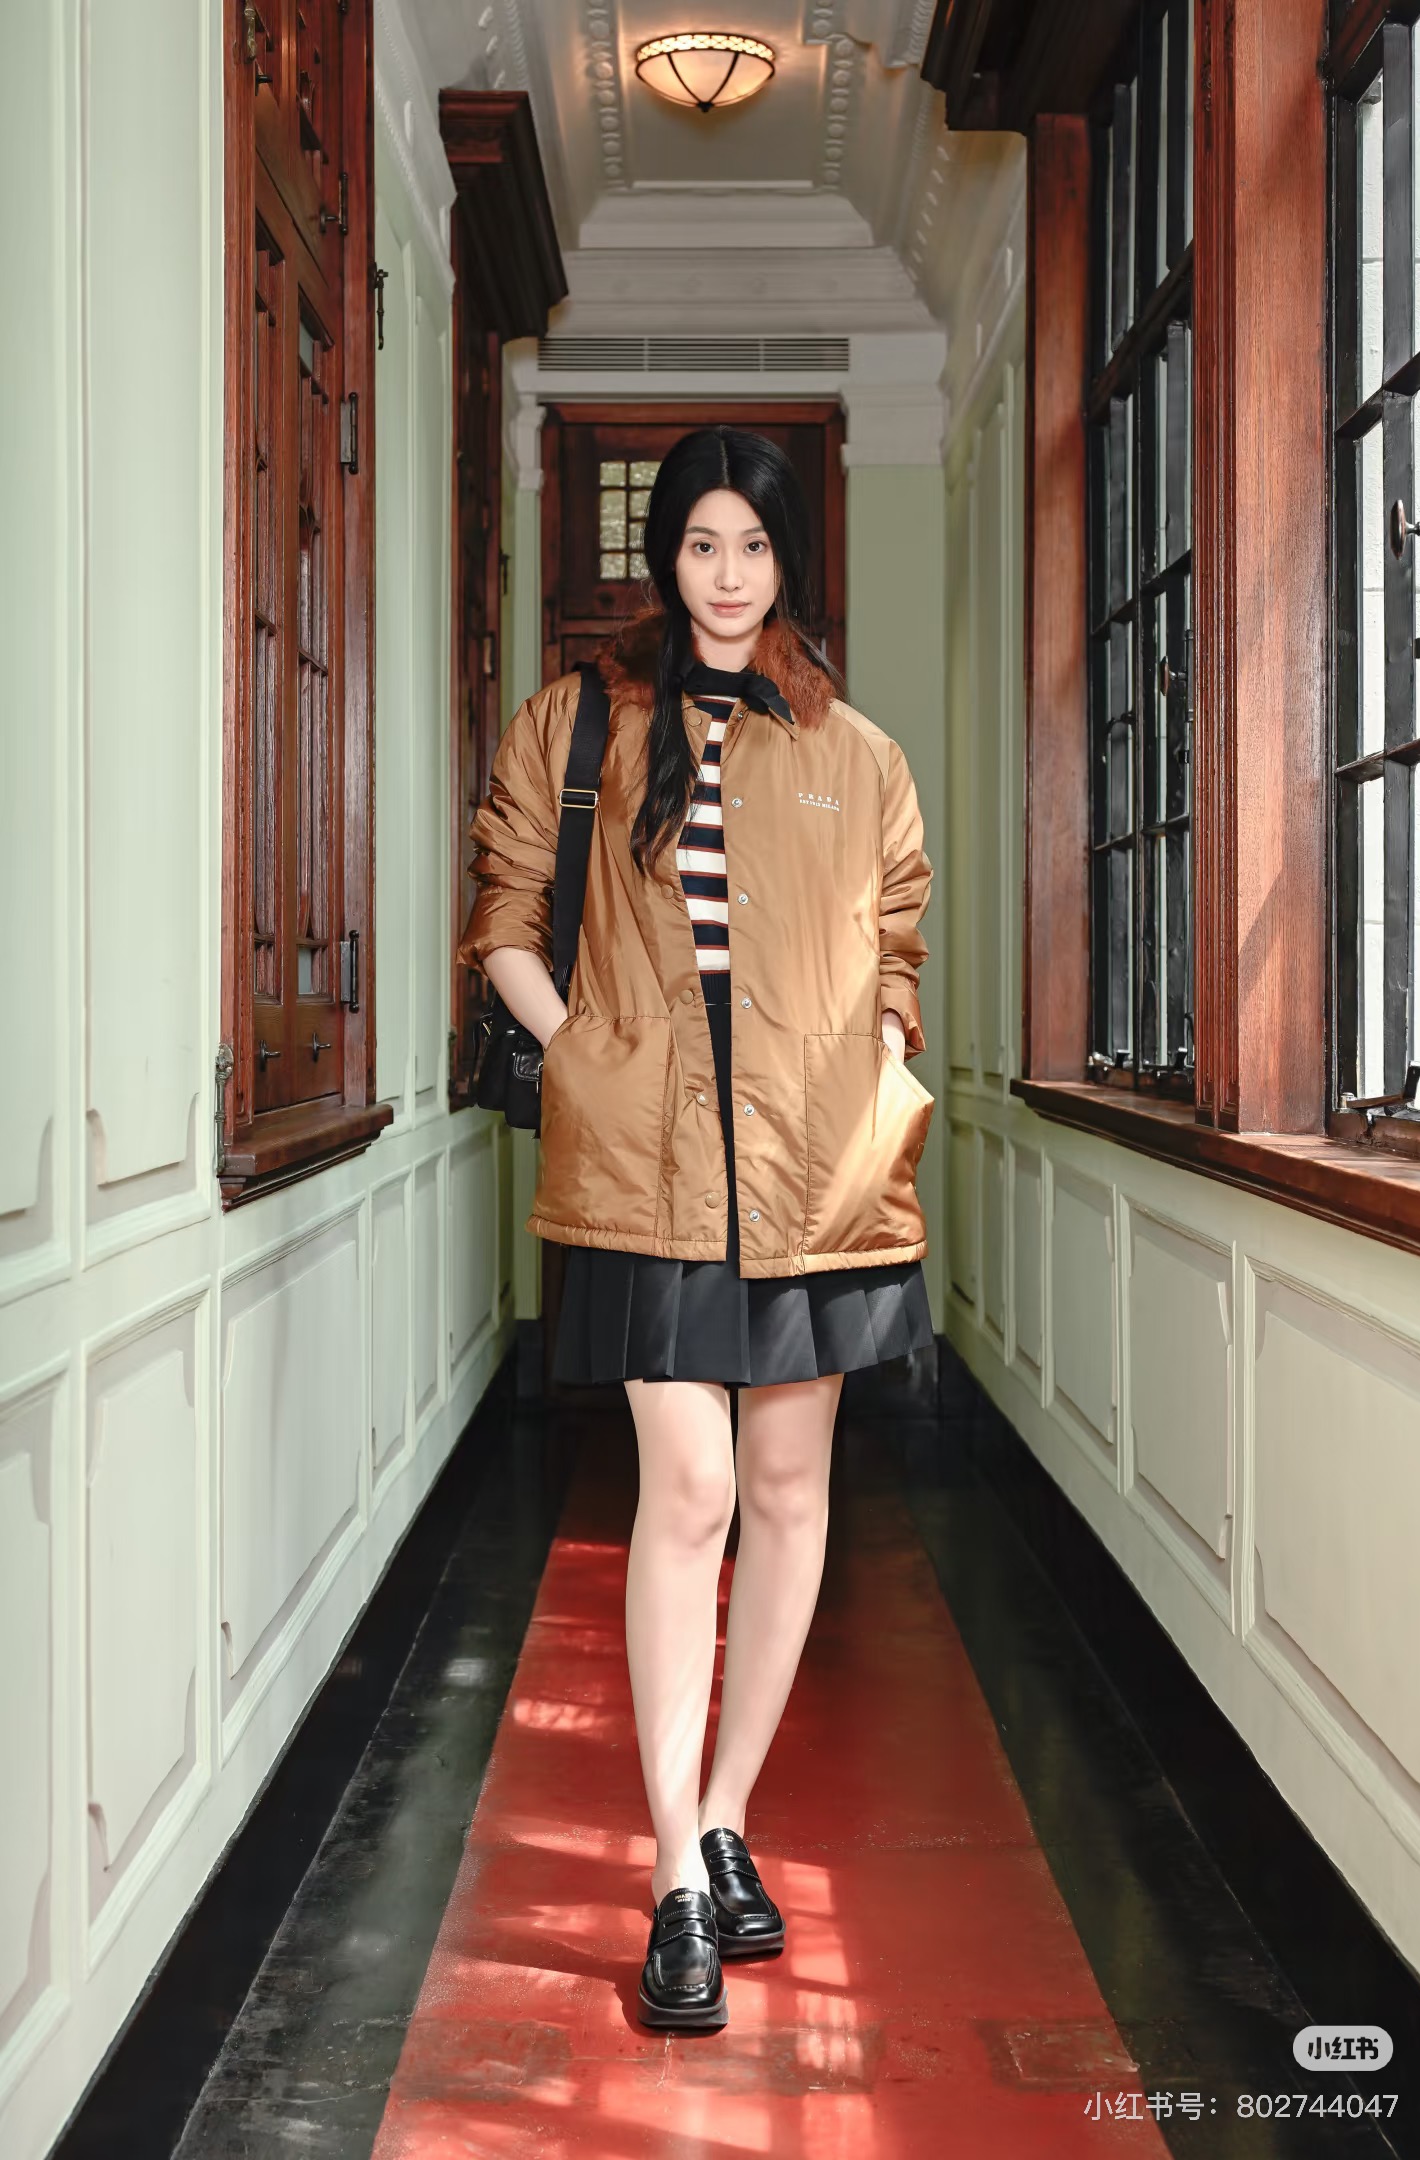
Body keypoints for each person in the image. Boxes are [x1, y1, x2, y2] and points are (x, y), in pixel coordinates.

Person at [457, 425, 935, 2032]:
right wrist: (580, 1054)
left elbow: (898, 938)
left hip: (813, 1171)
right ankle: (673, 1872)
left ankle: (726, 1812)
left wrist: (884, 1051)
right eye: (701, 543)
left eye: (755, 544)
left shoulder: (855, 753)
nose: (728, 575)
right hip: (649, 1154)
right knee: (693, 1488)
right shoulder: (577, 720)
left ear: (790, 559)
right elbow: (504, 915)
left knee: (791, 1492)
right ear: (665, 557)